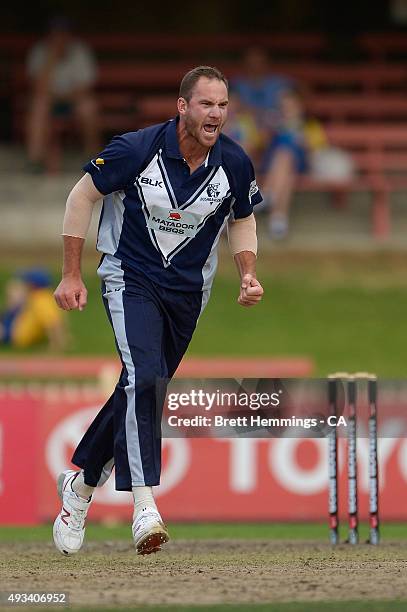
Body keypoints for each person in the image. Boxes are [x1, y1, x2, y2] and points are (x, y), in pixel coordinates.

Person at [53, 66, 264, 556]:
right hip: (130, 278)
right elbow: (81, 195)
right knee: (144, 378)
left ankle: (79, 489)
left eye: (223, 105)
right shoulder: (136, 148)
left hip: (189, 295)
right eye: (207, 104)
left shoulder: (234, 163)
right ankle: (145, 505)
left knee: (141, 387)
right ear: (183, 106)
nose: (216, 114)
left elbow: (244, 218)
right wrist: (70, 273)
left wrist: (248, 271)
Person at [25, 17, 99, 172]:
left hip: (74, 99)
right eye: (56, 33)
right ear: (49, 35)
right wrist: (51, 59)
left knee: (89, 107)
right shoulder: (40, 51)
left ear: (70, 35)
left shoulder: (80, 50)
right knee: (39, 105)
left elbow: (85, 87)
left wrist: (66, 96)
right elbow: (38, 87)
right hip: (48, 100)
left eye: (63, 33)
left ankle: (94, 159)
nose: (60, 37)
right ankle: (35, 159)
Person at [261, 88, 327, 239]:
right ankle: (278, 221)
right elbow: (262, 145)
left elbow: (317, 151)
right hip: (277, 167)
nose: (288, 110)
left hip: (301, 164)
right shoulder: (274, 123)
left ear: (299, 107)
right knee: (287, 174)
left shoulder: (309, 126)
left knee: (286, 156)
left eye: (291, 106)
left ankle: (268, 194)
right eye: (284, 107)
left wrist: (303, 140)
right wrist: (271, 130)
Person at [0, 269, 67, 350]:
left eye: (26, 282)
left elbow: (53, 323)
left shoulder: (41, 299)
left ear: (32, 285)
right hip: (15, 326)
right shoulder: (44, 297)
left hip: (13, 333)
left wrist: (57, 344)